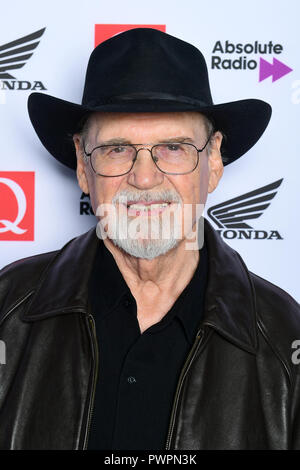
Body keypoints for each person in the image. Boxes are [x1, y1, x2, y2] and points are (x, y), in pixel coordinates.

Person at [0, 28, 299, 450]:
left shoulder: (286, 336)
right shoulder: (6, 310)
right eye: (117, 149)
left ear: (213, 162)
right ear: (84, 168)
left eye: (173, 148)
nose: (143, 178)